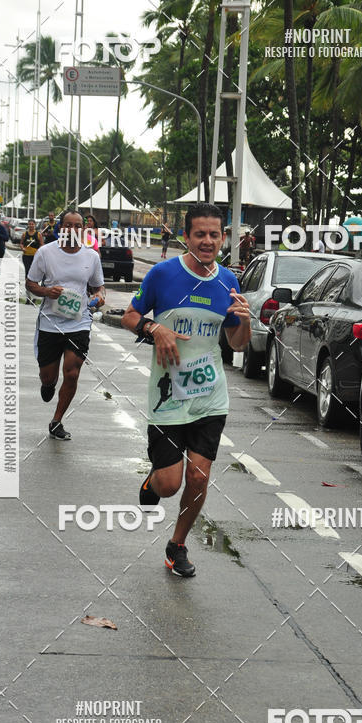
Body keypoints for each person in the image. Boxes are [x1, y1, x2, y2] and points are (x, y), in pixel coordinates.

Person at [121, 202, 251, 577]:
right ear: (187, 236)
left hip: (210, 396)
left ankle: (177, 544)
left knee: (198, 476)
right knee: (168, 484)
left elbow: (238, 344)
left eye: (214, 234)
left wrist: (244, 323)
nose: (207, 241)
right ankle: (153, 479)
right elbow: (130, 315)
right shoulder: (163, 275)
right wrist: (154, 328)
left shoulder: (228, 281)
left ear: (223, 237)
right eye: (200, 234)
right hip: (167, 395)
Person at [26, 209, 105, 441]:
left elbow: (98, 287)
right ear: (60, 228)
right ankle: (48, 385)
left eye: (77, 225)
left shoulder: (91, 257)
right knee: (48, 376)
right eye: (67, 225)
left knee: (72, 372)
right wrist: (46, 291)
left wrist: (100, 296)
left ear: (83, 230)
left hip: (78, 322)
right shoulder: (45, 253)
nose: (72, 229)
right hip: (50, 323)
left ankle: (56, 421)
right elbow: (31, 283)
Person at [21, 219, 43, 302]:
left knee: (34, 276)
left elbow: (41, 245)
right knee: (27, 275)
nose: (31, 225)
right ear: (28, 225)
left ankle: (34, 296)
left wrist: (38, 251)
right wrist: (22, 248)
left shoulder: (38, 234)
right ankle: (28, 296)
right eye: (29, 224)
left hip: (35, 257)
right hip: (26, 256)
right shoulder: (24, 234)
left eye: (32, 224)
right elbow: (21, 243)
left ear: (35, 225)